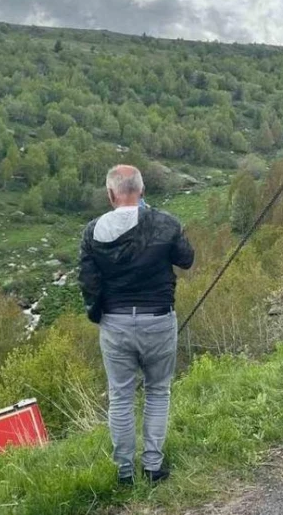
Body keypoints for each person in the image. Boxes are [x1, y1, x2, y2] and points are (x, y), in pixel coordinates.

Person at [79, 164, 195, 485]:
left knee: (121, 397)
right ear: (142, 191)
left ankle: (125, 473)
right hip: (158, 318)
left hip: (115, 323)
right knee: (158, 392)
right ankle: (153, 467)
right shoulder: (165, 223)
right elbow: (186, 259)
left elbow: (88, 283)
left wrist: (98, 315)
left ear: (110, 194)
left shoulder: (92, 232)